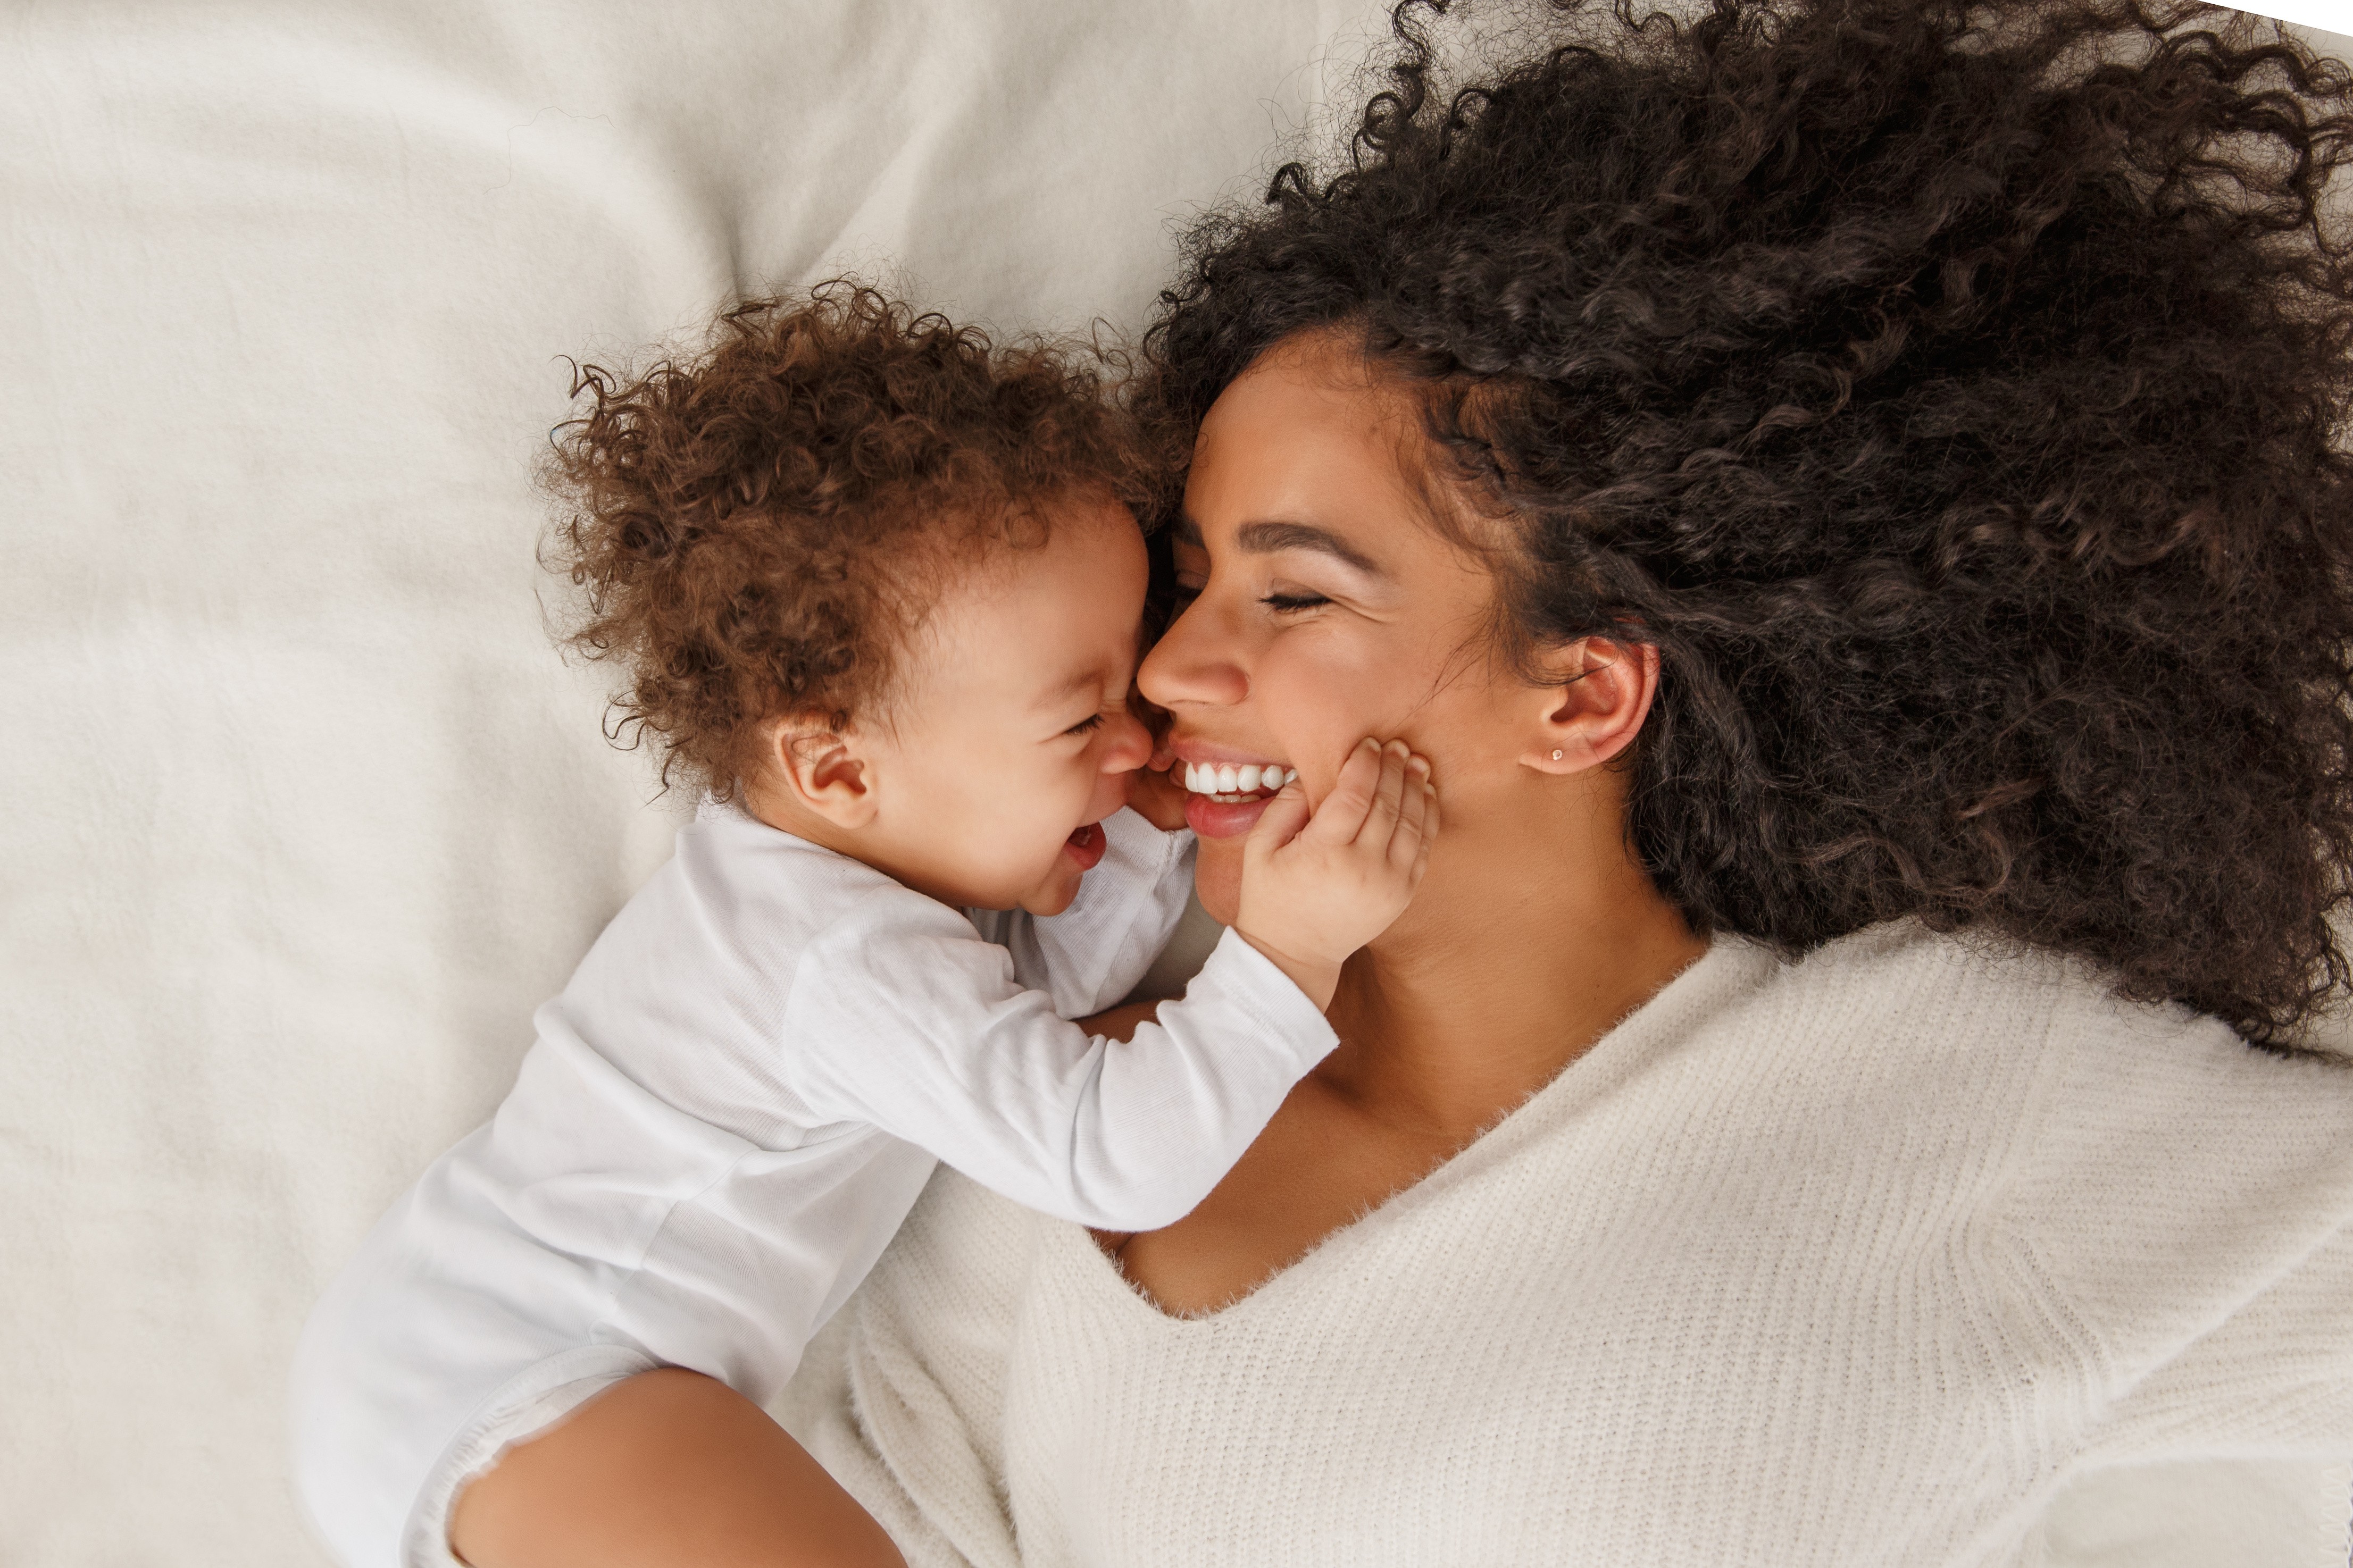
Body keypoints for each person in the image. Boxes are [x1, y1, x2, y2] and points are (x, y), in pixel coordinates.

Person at [756, 2, 2353, 1563]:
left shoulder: (1945, 1095)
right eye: (1190, 586)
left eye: (1293, 594)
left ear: (1581, 691)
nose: (1172, 673)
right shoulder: (1058, 1095)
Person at [286, 286, 1438, 1568]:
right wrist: (1287, 956)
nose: (1139, 738)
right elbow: (1105, 1146)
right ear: (836, 770)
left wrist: (1146, 824)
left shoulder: (844, 892)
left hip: (474, 1363)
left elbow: (1037, 1010)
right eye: (1080, 722)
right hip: (527, 1374)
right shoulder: (831, 956)